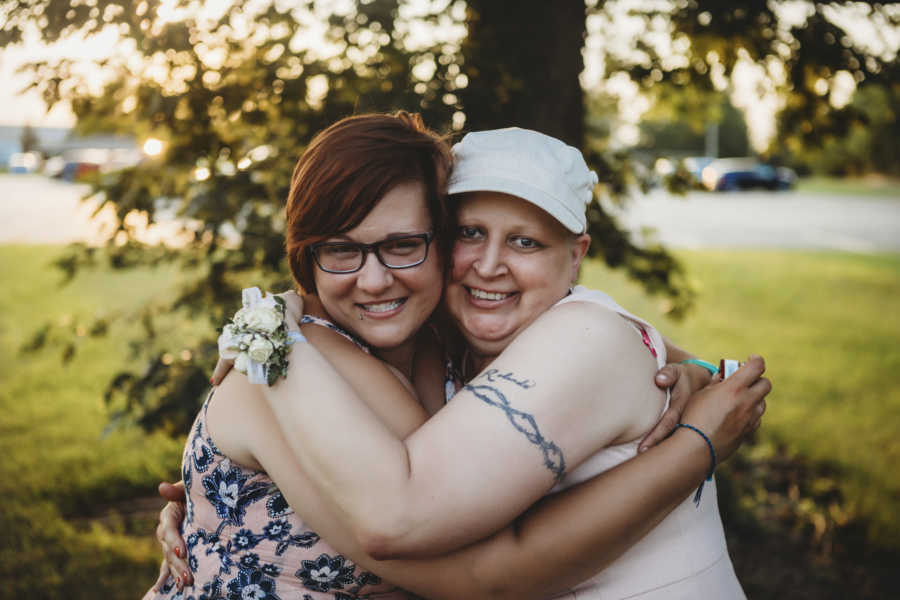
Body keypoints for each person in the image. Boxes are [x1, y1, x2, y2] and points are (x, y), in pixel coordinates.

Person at [150, 116, 769, 599]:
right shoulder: (287, 367)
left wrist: (703, 377)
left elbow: (638, 348)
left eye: (401, 244)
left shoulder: (459, 339)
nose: (373, 281)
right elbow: (483, 573)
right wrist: (699, 444)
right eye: (470, 233)